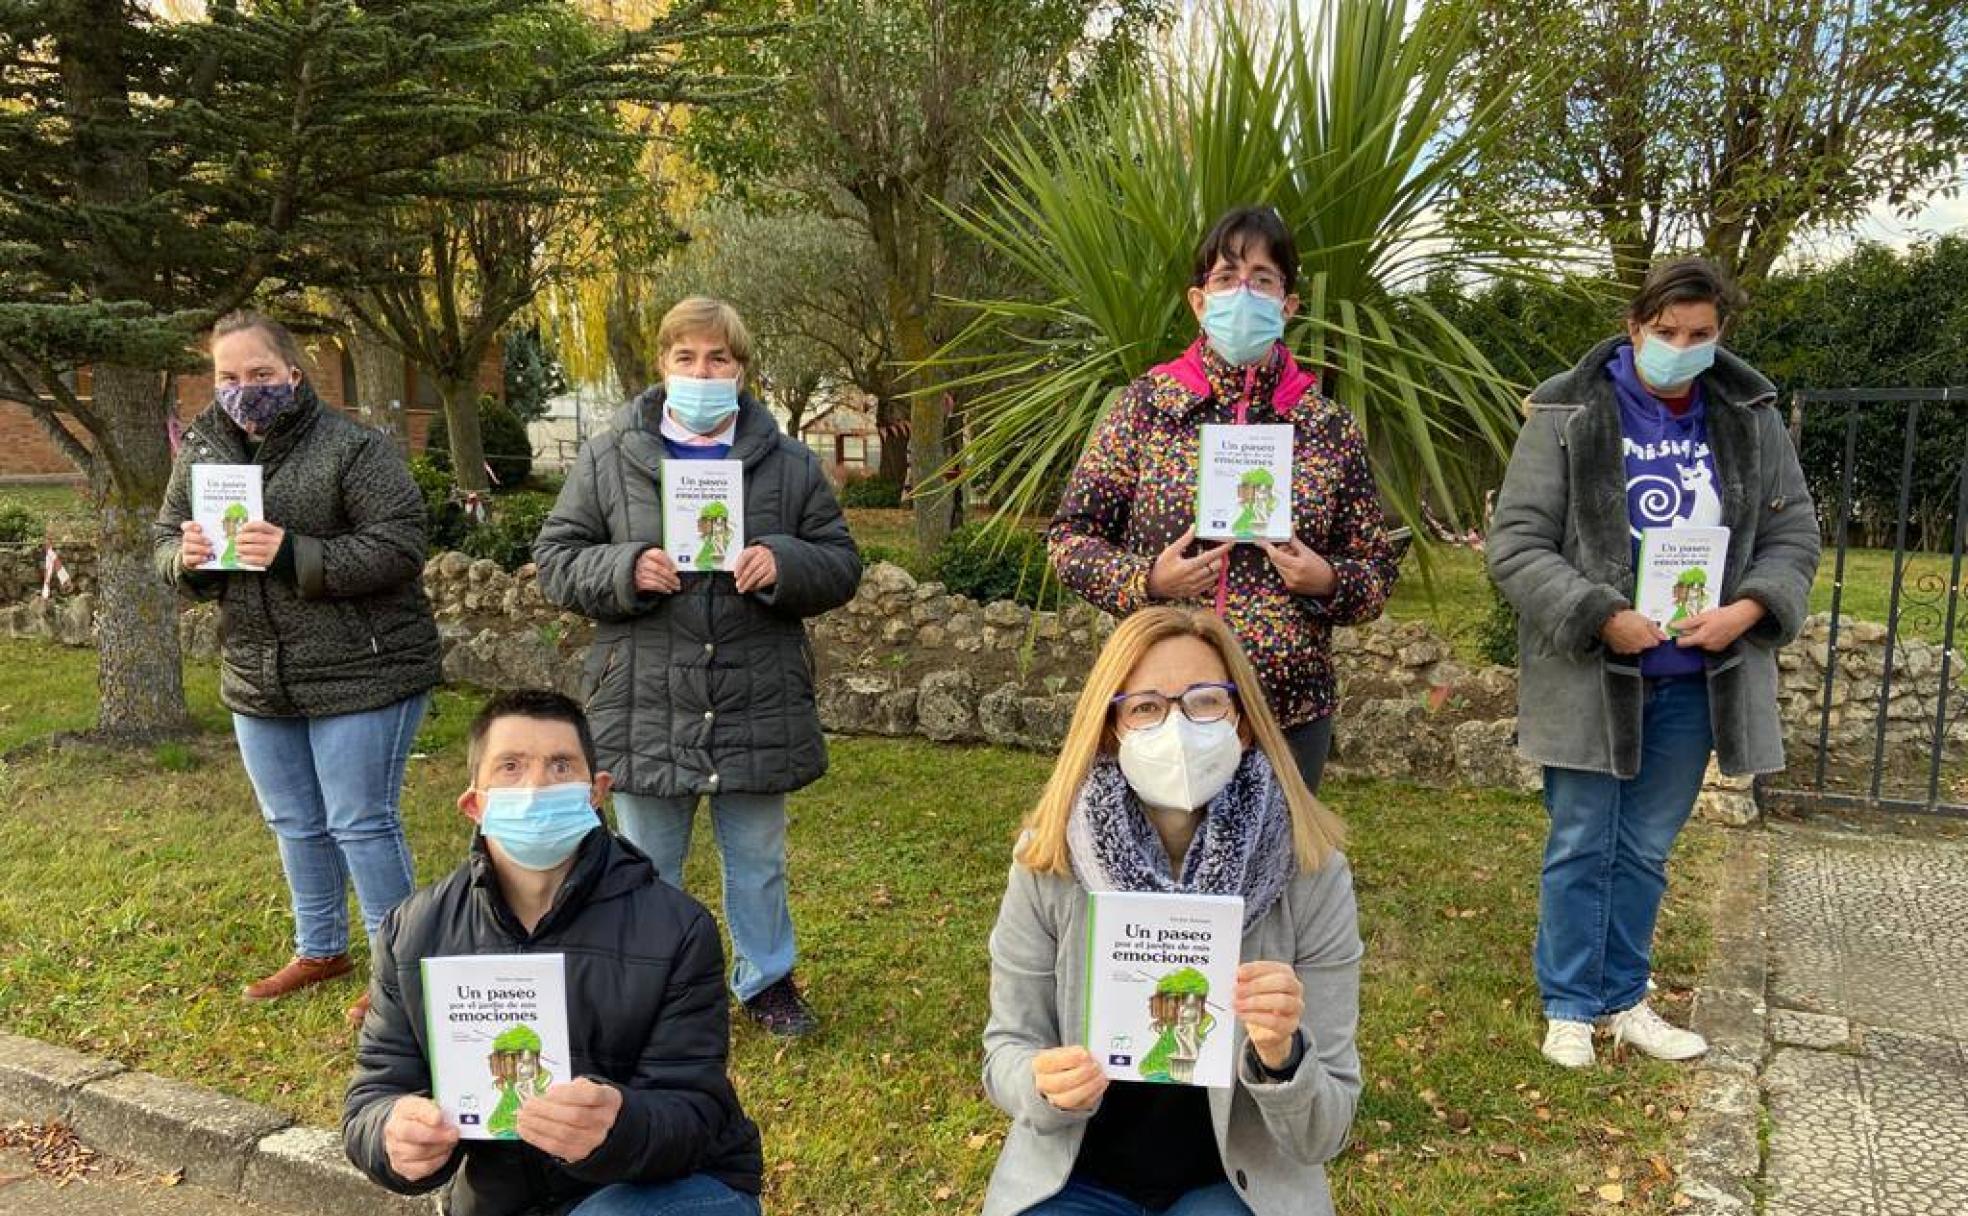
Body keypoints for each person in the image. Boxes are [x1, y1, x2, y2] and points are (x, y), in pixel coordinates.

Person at [1487, 258, 1819, 1069]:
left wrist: (1747, 609)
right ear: (1635, 327)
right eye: (1664, 332)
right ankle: (1570, 1003)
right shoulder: (1567, 413)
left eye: (1698, 335)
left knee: (1643, 848)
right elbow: (1517, 544)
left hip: (1696, 680)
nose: (1679, 347)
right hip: (1594, 673)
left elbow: (1794, 533)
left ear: (1719, 334)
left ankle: (1626, 997)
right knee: (1580, 840)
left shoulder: (1749, 417)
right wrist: (1602, 615)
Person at [534, 297, 862, 1036]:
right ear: (663, 364)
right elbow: (555, 559)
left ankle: (767, 981)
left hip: (757, 696)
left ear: (742, 370)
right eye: (687, 357)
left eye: (719, 358)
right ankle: (648, 989)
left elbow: (842, 563)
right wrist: (623, 568)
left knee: (758, 861)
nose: (702, 371)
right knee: (643, 864)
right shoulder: (609, 454)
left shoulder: (790, 463)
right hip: (645, 698)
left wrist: (784, 563)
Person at [981, 606, 1361, 1216]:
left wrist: (1282, 1056)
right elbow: (1007, 1047)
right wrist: (1042, 1084)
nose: (1179, 727)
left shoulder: (1310, 871)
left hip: (1235, 1185)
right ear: (1112, 729)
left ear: (1241, 723)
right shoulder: (1049, 860)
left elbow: (1327, 1129)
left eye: (1206, 701)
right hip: (1075, 1174)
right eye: (1147, 707)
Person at [343, 690, 764, 1216]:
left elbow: (696, 1110)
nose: (538, 785)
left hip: (669, 1187)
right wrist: (390, 1133)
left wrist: (621, 1125)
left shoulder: (677, 929)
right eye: (511, 766)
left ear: (596, 793)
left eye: (561, 765)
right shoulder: (412, 933)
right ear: (474, 804)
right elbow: (374, 1094)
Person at [1047, 206, 1400, 793]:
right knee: (1160, 872)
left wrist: (1328, 580)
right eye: (1226, 276)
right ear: (1199, 300)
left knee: (1277, 875)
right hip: (1160, 711)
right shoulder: (1147, 408)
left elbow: (1377, 571)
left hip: (1286, 713)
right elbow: (1069, 539)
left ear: (1287, 305)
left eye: (1262, 278)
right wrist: (1147, 580)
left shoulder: (1325, 426)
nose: (1244, 291)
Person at [153, 311, 438, 1025]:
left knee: (360, 821)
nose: (244, 389)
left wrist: (293, 552)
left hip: (363, 668)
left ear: (293, 375)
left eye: (259, 375)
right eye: (228, 377)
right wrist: (181, 560)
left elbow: (399, 547)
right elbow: (164, 536)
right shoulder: (201, 450)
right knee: (293, 820)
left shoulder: (351, 449)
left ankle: (399, 974)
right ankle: (320, 948)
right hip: (258, 670)